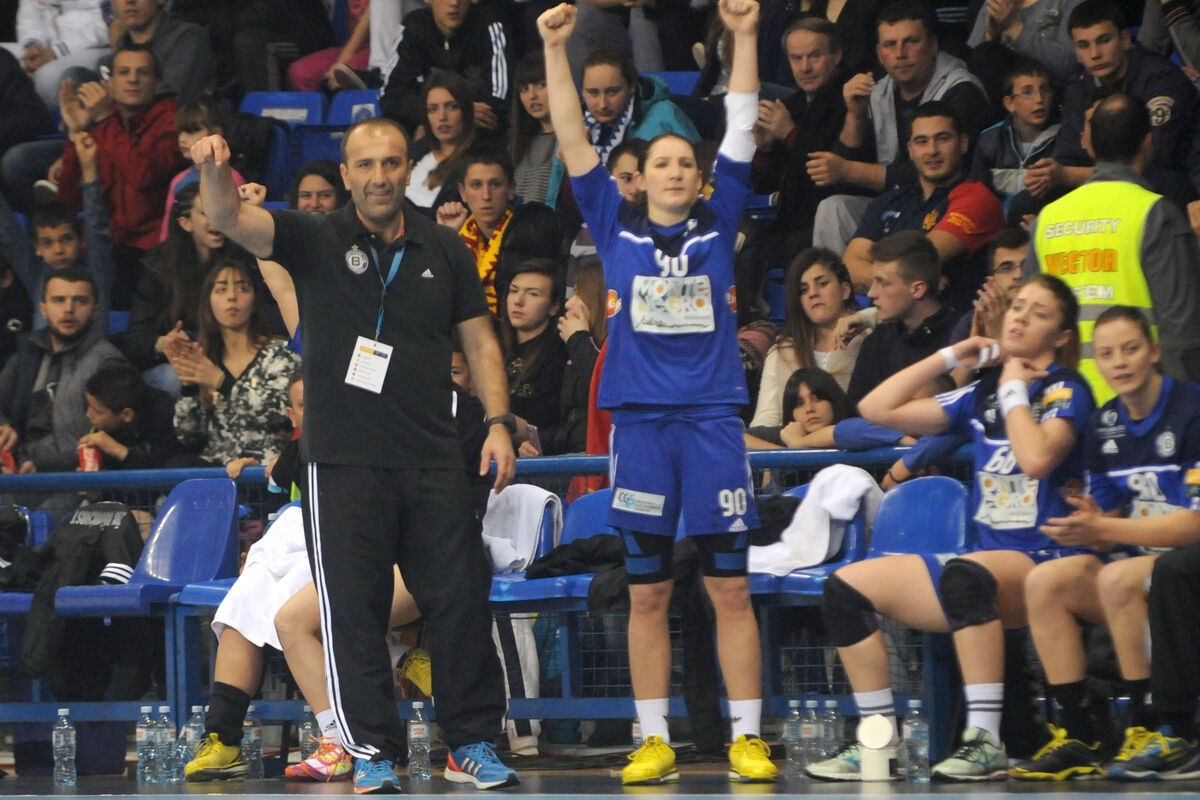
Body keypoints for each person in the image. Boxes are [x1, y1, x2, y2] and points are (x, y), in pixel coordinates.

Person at [193, 109, 519, 793]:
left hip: (433, 455)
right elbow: (228, 218)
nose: (379, 176)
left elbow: (480, 339)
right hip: (341, 462)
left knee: (461, 598)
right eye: (365, 164)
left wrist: (497, 422)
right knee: (352, 609)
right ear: (346, 175)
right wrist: (213, 170)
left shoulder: (445, 248)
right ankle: (371, 750)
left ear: (408, 171)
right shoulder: (313, 236)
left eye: (391, 162)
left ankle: (470, 744)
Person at [540, 0, 778, 784]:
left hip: (711, 425)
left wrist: (745, 35)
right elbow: (571, 136)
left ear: (701, 177)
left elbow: (741, 124)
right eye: (662, 163)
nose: (675, 171)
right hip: (641, 430)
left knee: (730, 589)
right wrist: (555, 49)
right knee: (647, 595)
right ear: (638, 179)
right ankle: (653, 739)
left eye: (686, 163)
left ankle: (748, 737)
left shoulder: (720, 216)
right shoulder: (613, 223)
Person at [809, 273, 1094, 781]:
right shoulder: (981, 394)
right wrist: (951, 356)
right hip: (985, 567)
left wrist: (1013, 387)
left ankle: (985, 742)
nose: (1021, 318)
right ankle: (878, 743)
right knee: (845, 589)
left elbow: (1036, 460)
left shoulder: (1066, 388)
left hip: (1048, 562)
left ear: (1062, 336)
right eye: (1018, 307)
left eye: (1040, 313)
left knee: (966, 573)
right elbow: (875, 408)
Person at [1013, 306, 1200, 780]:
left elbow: (1195, 526)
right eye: (1107, 353)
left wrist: (1106, 531)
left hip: (1185, 567)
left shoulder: (1192, 409)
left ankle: (1145, 725)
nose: (1119, 362)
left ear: (1153, 351)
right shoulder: (1104, 423)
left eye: (1131, 349)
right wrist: (1088, 521)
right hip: (1138, 565)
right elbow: (1109, 518)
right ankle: (1080, 734)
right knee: (1046, 581)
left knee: (1118, 578)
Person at [1024, 92, 1200, 402]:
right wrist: (1182, 411)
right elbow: (1180, 333)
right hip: (1138, 406)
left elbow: (1029, 331)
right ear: (1148, 142)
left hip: (1062, 406)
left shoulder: (1046, 220)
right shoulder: (1155, 214)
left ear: (1091, 145)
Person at [807, 0, 995, 253]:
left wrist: (850, 170)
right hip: (899, 205)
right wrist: (855, 115)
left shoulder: (962, 91)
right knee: (834, 208)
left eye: (911, 41)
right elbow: (844, 181)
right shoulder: (878, 92)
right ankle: (838, 279)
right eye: (890, 44)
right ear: (879, 53)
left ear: (933, 45)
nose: (900, 53)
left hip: (949, 204)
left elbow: (938, 169)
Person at [1026, 0, 1200, 207]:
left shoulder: (1161, 79)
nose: (1095, 54)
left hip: (1168, 184)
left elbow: (1155, 158)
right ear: (1076, 52)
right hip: (1102, 187)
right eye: (1084, 45)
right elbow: (1069, 156)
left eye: (1104, 40)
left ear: (1125, 39)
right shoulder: (1078, 89)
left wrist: (1069, 175)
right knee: (1030, 200)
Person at [841, 101, 1005, 312]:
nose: (932, 150)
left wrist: (886, 276)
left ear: (963, 143)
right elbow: (850, 264)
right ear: (910, 150)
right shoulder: (887, 202)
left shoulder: (977, 197)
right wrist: (908, 281)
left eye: (943, 139)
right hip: (891, 324)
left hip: (956, 323)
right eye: (922, 141)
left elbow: (919, 260)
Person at [745, 18, 853, 309]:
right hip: (790, 221)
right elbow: (765, 185)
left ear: (836, 55)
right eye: (796, 58)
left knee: (795, 243)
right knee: (744, 235)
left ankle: (801, 325)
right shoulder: (792, 104)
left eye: (814, 56)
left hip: (833, 217)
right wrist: (765, 150)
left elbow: (828, 173)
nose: (805, 67)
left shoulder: (850, 100)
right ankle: (749, 317)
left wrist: (790, 133)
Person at [169, 259, 300, 477]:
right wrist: (189, 386)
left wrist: (221, 382)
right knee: (178, 464)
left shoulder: (280, 352)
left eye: (242, 288)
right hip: (219, 469)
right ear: (208, 301)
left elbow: (280, 413)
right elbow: (188, 435)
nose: (232, 296)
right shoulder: (206, 359)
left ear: (255, 300)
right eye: (221, 289)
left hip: (265, 468)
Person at [125, 184, 255, 397]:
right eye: (206, 213)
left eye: (219, 211)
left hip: (229, 356)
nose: (216, 219)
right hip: (178, 364)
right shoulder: (158, 267)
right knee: (173, 378)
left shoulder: (243, 258)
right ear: (185, 223)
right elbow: (135, 341)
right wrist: (163, 344)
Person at [57, 45, 185, 255]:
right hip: (104, 244)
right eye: (124, 72)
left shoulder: (174, 120)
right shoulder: (105, 122)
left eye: (143, 72)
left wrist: (104, 119)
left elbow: (143, 175)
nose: (133, 79)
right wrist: (76, 133)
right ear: (110, 83)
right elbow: (69, 202)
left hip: (152, 250)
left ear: (158, 83)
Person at [0, 269, 125, 474]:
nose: (68, 309)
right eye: (59, 300)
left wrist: (43, 467)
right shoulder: (26, 354)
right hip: (17, 471)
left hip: (72, 477)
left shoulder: (108, 363)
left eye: (80, 301)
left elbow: (110, 441)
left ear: (96, 310)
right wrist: (3, 428)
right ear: (43, 309)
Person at [751, 249, 864, 431]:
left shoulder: (870, 340)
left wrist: (865, 319)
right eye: (804, 290)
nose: (813, 294)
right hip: (794, 445)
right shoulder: (781, 352)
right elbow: (765, 422)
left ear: (845, 290)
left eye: (822, 283)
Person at [845, 231, 959, 405]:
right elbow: (855, 414)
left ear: (917, 289)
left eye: (883, 283)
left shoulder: (961, 336)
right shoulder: (877, 342)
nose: (871, 293)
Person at [379, 0, 513, 138]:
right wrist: (432, 115)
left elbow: (501, 96)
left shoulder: (489, 24)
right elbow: (390, 95)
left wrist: (460, 113)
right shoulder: (414, 25)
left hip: (477, 131)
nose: (454, 3)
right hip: (425, 125)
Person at [532, 258, 606, 455]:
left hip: (600, 459)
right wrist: (539, 443)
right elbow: (573, 422)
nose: (569, 303)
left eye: (579, 293)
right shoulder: (572, 346)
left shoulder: (615, 344)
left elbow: (604, 390)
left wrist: (577, 340)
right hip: (574, 455)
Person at [968, 59, 1060, 214]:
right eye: (1027, 92)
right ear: (1009, 103)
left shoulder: (1064, 137)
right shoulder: (990, 139)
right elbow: (977, 195)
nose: (1039, 99)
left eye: (1045, 90)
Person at [436, 146, 518, 313]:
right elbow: (436, 292)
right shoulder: (459, 236)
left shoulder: (526, 235)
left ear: (511, 190)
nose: (486, 196)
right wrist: (448, 235)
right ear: (463, 192)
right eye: (476, 185)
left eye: (495, 184)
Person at [498, 258, 567, 450]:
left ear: (554, 306)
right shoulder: (492, 346)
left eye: (533, 294)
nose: (518, 301)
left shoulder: (561, 355)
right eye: (514, 291)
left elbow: (557, 425)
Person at [160, 96, 244, 243]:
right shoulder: (178, 181)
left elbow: (241, 228)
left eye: (192, 131)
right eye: (181, 131)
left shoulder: (233, 179)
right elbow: (168, 232)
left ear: (216, 134)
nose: (182, 139)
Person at [0, 0, 108, 110]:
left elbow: (104, 27)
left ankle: (41, 118)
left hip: (90, 46)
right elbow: (30, 13)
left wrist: (56, 52)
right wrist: (32, 45)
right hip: (45, 45)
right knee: (3, 55)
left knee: (46, 75)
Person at [77, 362, 178, 470]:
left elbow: (162, 470)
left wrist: (118, 450)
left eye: (98, 412)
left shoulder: (166, 418)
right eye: (89, 406)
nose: (88, 415)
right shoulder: (107, 426)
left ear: (127, 415)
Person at [406, 70, 476, 212]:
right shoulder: (414, 150)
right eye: (433, 109)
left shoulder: (479, 161)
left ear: (465, 111)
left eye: (452, 107)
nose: (442, 117)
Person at [950, 226, 1029, 345]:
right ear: (991, 282)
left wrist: (998, 337)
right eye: (1006, 268)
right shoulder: (973, 321)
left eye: (1027, 265)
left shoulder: (1050, 315)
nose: (1019, 275)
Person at [745, 366, 858, 448]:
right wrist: (783, 455)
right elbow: (736, 437)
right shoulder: (788, 434)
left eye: (817, 399)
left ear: (833, 400)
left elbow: (847, 432)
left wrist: (798, 443)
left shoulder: (855, 429)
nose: (809, 409)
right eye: (799, 404)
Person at [511, 52, 560, 207]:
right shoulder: (520, 143)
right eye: (524, 89)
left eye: (541, 85)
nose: (532, 96)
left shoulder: (571, 140)